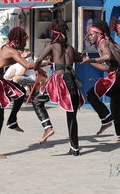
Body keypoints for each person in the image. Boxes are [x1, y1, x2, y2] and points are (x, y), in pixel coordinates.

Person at [0, 27, 47, 159]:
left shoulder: (6, 48)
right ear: (18, 40)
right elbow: (27, 65)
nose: (25, 44)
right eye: (24, 41)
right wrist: (48, 62)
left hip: (1, 81)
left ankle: (12, 121)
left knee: (20, 93)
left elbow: (8, 60)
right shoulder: (10, 50)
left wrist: (21, 56)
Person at [32, 18, 84, 156]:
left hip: (59, 81)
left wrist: (37, 69)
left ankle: (47, 127)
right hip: (71, 80)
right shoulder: (70, 48)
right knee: (72, 116)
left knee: (36, 101)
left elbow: (38, 60)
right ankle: (75, 148)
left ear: (54, 33)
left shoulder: (52, 45)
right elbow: (80, 59)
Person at [82, 20, 120, 142]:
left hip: (118, 76)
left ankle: (105, 118)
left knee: (90, 94)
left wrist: (92, 60)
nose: (89, 38)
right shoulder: (104, 43)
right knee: (116, 107)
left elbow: (107, 57)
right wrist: (90, 62)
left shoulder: (103, 43)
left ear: (98, 34)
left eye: (91, 35)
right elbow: (106, 67)